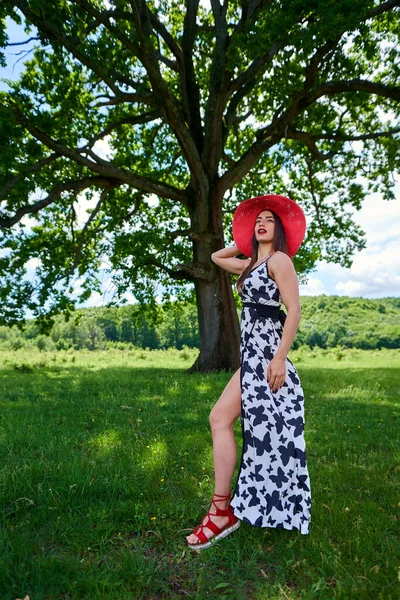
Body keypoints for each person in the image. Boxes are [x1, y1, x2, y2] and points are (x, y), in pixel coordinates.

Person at [186, 194, 312, 551]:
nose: (262, 223)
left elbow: (295, 310)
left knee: (229, 422)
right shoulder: (250, 266)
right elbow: (215, 257)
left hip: (267, 359)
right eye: (258, 220)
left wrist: (279, 359)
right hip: (250, 359)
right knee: (221, 419)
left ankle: (222, 511)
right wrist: (245, 241)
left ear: (281, 231)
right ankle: (225, 510)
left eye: (270, 220)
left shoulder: (280, 260)